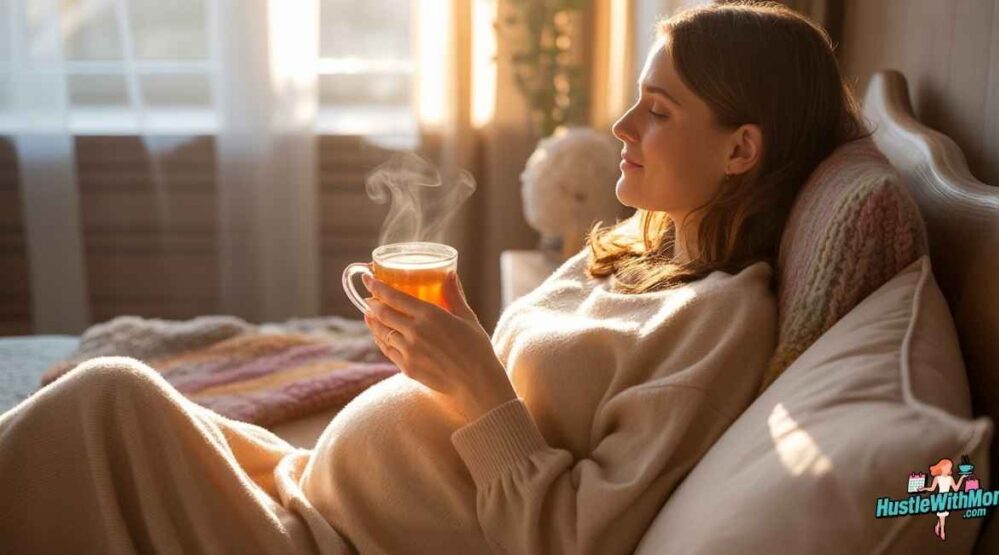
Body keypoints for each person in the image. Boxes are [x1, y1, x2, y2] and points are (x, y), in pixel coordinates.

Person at [0, 2, 870, 553]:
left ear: (740, 149)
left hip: (331, 541)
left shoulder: (719, 321)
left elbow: (575, 537)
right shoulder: (639, 250)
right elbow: (532, 400)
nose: (621, 125)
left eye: (659, 109)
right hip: (310, 489)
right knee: (114, 405)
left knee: (107, 400)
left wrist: (476, 378)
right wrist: (462, 346)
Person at [920, 458, 968, 541]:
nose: (948, 469)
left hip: (947, 498)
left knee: (943, 515)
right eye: (947, 467)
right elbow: (932, 488)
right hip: (940, 498)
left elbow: (956, 488)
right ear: (942, 467)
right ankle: (942, 531)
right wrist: (924, 488)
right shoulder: (937, 478)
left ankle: (937, 526)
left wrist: (962, 478)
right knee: (942, 516)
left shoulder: (950, 478)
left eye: (949, 468)